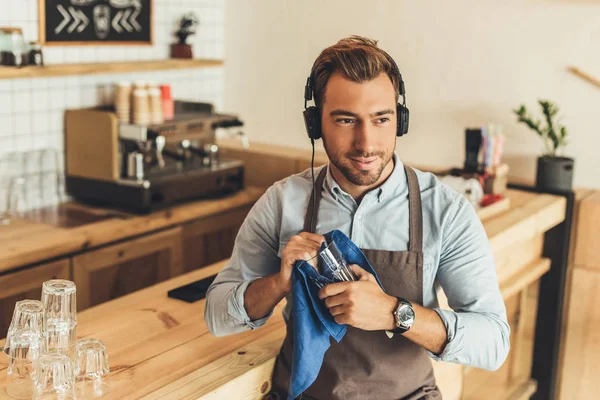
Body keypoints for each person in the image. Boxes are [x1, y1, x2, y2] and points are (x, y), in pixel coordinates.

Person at [205, 35, 510, 399]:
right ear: (316, 124)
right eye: (346, 120)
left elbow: (493, 342)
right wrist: (279, 283)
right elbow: (216, 316)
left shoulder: (445, 211)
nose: (366, 143)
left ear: (400, 120)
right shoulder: (283, 202)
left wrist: (395, 313)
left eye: (381, 119)